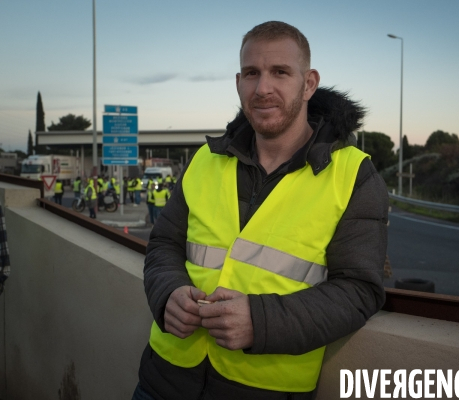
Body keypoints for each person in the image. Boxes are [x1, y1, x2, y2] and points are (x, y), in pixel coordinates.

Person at [133, 21, 388, 400]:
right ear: (238, 83)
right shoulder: (205, 160)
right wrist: (167, 293)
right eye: (251, 73)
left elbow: (359, 290)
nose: (262, 88)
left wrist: (260, 322)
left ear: (309, 83)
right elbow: (163, 246)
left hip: (265, 390)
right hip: (163, 381)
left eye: (280, 72)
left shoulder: (353, 175)